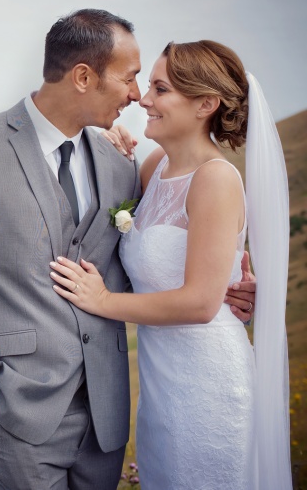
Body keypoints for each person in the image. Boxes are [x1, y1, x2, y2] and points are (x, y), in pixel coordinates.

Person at [0, 9, 256, 490]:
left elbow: (149, 266)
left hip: (109, 422)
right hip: (14, 416)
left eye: (152, 86)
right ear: (84, 76)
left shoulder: (120, 166)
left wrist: (229, 294)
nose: (137, 96)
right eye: (131, 79)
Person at [50, 40, 290, 489]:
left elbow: (200, 303)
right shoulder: (155, 166)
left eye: (160, 89)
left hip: (208, 383)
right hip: (162, 387)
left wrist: (103, 301)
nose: (143, 99)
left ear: (206, 104)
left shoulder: (216, 179)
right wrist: (108, 140)